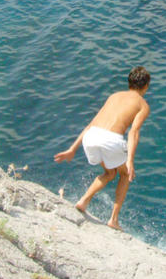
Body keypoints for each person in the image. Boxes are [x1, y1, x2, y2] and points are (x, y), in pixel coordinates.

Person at [54, 67, 151, 230]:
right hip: (110, 140)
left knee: (110, 173)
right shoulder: (143, 105)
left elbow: (92, 124)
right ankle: (113, 219)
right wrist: (130, 161)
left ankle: (83, 201)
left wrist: (72, 149)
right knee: (125, 175)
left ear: (129, 82)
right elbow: (134, 132)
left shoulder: (113, 96)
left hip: (91, 137)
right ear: (146, 86)